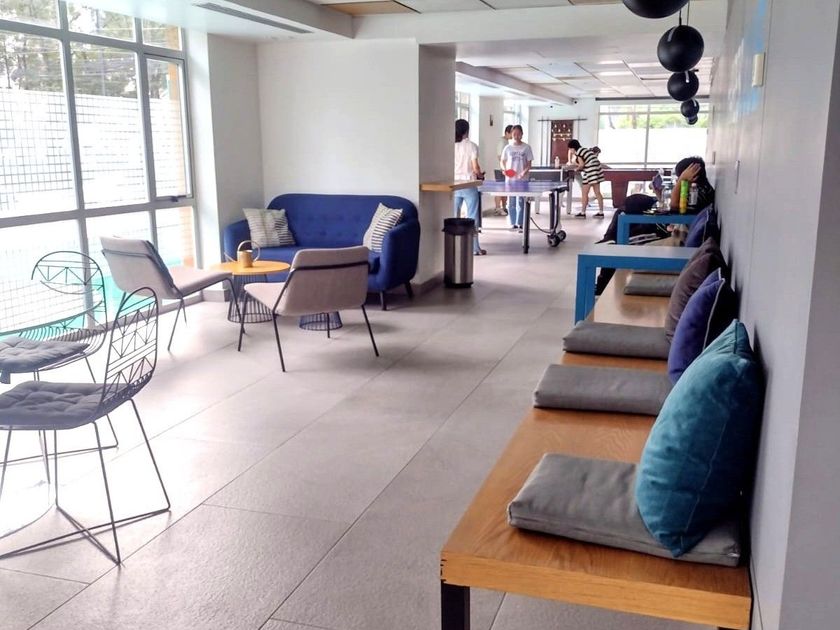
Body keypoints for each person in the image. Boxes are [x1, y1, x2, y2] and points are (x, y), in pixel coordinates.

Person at [453, 118, 486, 255]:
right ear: (467, 130)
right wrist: (480, 175)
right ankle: (474, 248)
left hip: (454, 185)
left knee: (454, 217)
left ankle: (454, 246)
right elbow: (475, 167)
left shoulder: (451, 145)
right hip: (469, 184)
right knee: (472, 217)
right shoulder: (472, 146)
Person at [500, 124, 533, 231]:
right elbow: (502, 161)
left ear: (522, 134)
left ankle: (520, 223)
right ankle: (512, 222)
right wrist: (505, 170)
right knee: (511, 202)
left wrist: (523, 172)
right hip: (510, 180)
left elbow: (529, 164)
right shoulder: (507, 148)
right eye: (514, 134)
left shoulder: (527, 147)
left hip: (523, 179)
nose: (516, 136)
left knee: (521, 202)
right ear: (511, 134)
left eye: (519, 134)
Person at [567, 139, 605, 218]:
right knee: (597, 192)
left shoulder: (579, 153)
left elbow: (581, 165)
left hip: (590, 172)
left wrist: (576, 169)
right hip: (597, 170)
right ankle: (601, 212)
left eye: (570, 149)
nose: (570, 151)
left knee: (584, 193)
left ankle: (582, 213)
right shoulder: (585, 150)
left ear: (573, 148)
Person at [494, 125, 513, 215]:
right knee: (499, 189)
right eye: (512, 133)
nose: (513, 135)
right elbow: (500, 157)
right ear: (507, 133)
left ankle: (504, 207)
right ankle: (498, 208)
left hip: (505, 169)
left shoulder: (506, 142)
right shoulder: (502, 142)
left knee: (505, 189)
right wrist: (504, 169)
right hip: (500, 169)